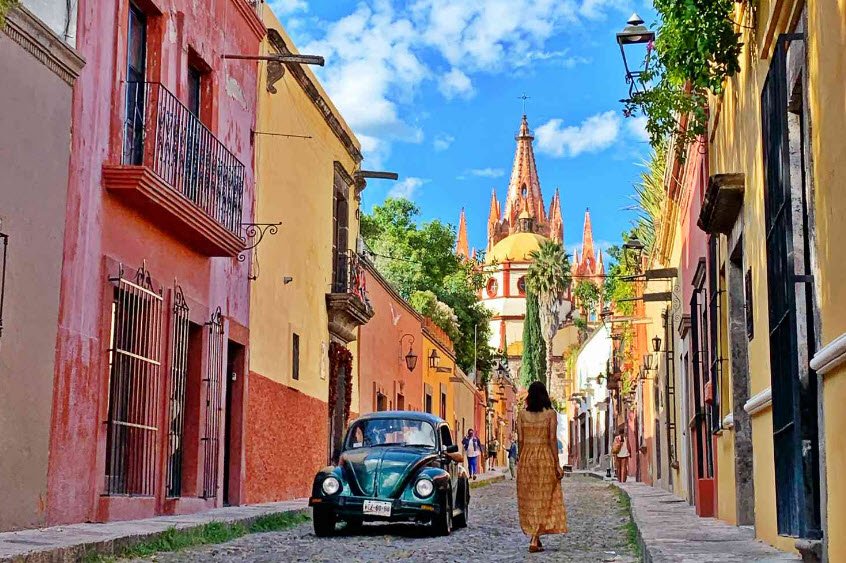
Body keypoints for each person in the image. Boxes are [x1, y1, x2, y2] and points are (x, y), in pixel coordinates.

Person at [516, 381, 568, 553]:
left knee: (530, 498)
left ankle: (534, 535)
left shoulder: (522, 415)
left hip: (527, 458)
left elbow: (521, 440)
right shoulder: (551, 414)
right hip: (545, 457)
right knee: (544, 497)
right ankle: (534, 537)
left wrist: (521, 459)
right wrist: (557, 464)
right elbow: (552, 439)